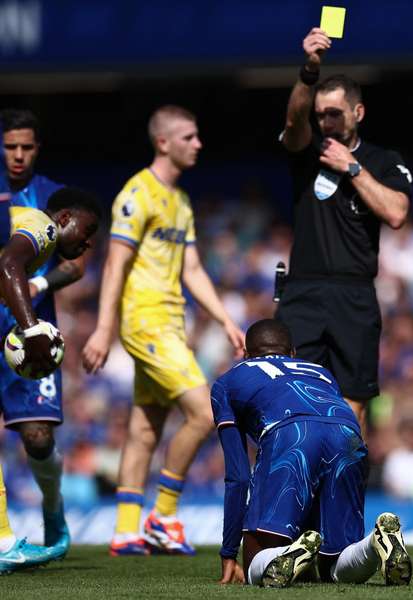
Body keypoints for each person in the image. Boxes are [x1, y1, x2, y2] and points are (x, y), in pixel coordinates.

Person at [81, 105, 245, 556]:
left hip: (171, 321)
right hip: (145, 319)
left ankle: (126, 530)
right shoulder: (138, 193)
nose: (199, 144)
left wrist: (225, 319)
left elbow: (191, 267)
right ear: (164, 142)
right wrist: (102, 329)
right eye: (189, 137)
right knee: (206, 413)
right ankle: (164, 515)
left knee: (145, 428)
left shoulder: (181, 201)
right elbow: (115, 261)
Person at [275, 27, 413, 430]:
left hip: (354, 293)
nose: (324, 121)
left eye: (333, 113)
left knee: (352, 402)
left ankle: (344, 488)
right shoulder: (306, 152)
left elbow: (397, 212)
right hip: (303, 289)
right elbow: (293, 119)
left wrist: (352, 169)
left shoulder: (383, 160)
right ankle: (297, 485)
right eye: (320, 114)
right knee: (292, 396)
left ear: (358, 113)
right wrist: (309, 71)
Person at [212, 319, 412, 588]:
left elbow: (238, 477)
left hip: (290, 435)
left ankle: (287, 553)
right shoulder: (320, 371)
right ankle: (375, 544)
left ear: (247, 354)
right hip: (347, 434)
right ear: (293, 352)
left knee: (255, 561)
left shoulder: (228, 381)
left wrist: (227, 552)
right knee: (335, 565)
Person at [1, 109, 90, 561]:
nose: (18, 155)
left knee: (37, 436)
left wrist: (34, 287)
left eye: (27, 147)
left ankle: (53, 510)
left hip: (28, 326)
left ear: (38, 148)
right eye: (10, 146)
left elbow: (75, 263)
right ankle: (3, 538)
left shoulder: (51, 195)